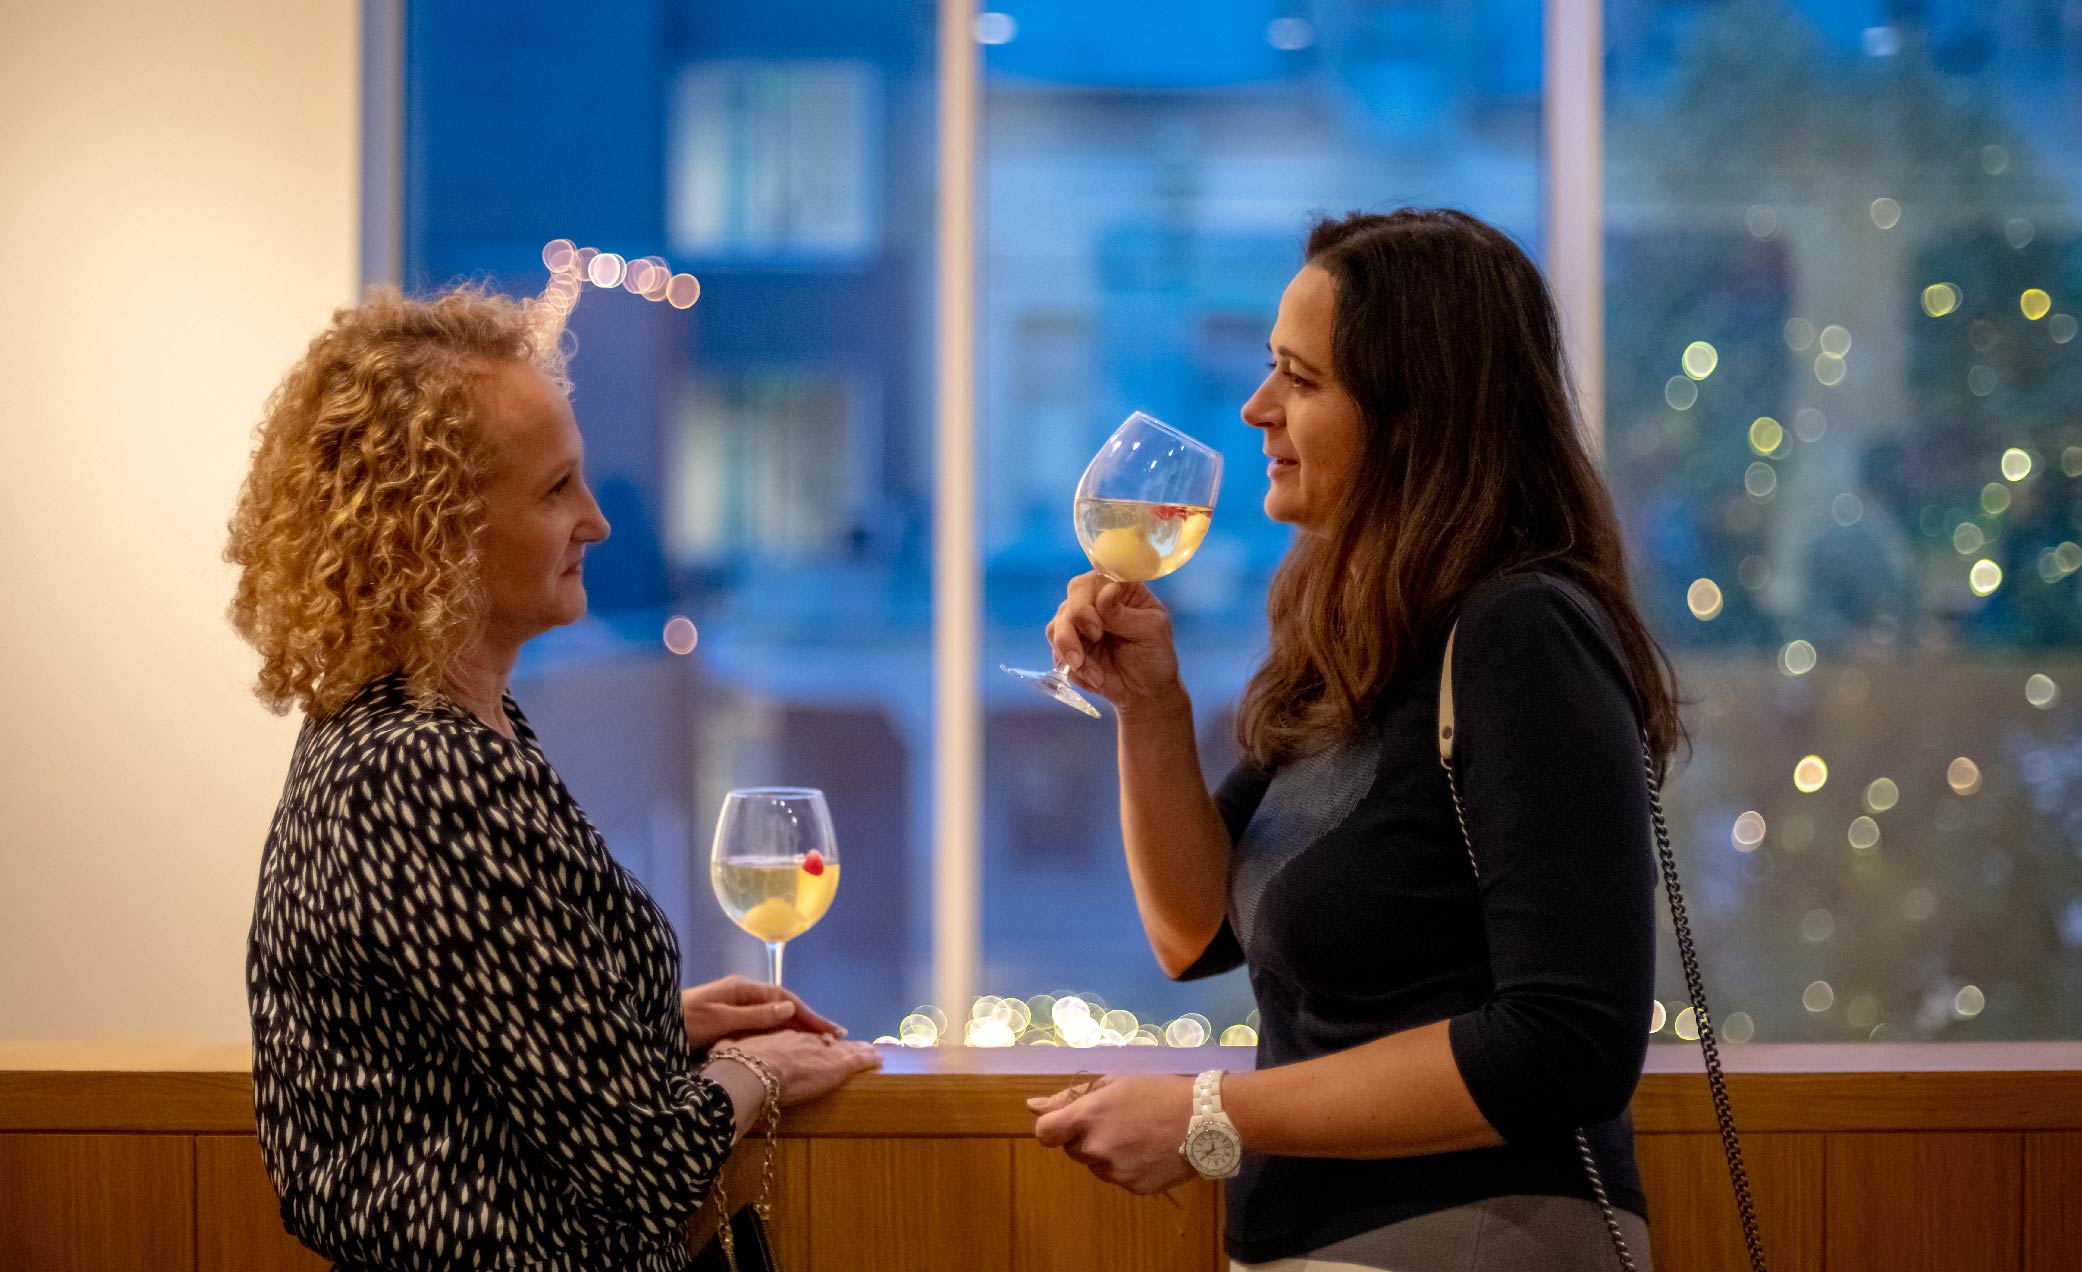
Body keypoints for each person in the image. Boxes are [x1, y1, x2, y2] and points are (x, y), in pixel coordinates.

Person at [1027, 209, 1678, 1270]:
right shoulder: (1361, 642)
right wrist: (1149, 707)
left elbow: (1570, 1041)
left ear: (1419, 414)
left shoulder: (1521, 633)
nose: (1256, 409)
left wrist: (1215, 1113)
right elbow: (1195, 933)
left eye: (1302, 378)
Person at [226, 285, 879, 1271]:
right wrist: (755, 1071)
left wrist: (653, 1023)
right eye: (555, 489)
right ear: (434, 531)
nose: (600, 522)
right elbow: (646, 1166)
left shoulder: (431, 730)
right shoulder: (423, 771)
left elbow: (466, 1047)